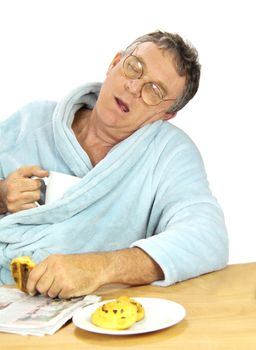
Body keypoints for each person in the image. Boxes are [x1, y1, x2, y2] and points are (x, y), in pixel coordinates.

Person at [0, 30, 228, 298]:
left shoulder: (169, 154)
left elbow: (207, 237)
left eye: (154, 91)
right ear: (114, 63)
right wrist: (2, 195)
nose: (133, 88)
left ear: (166, 114)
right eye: (134, 68)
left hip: (89, 310)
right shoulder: (31, 121)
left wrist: (100, 268)